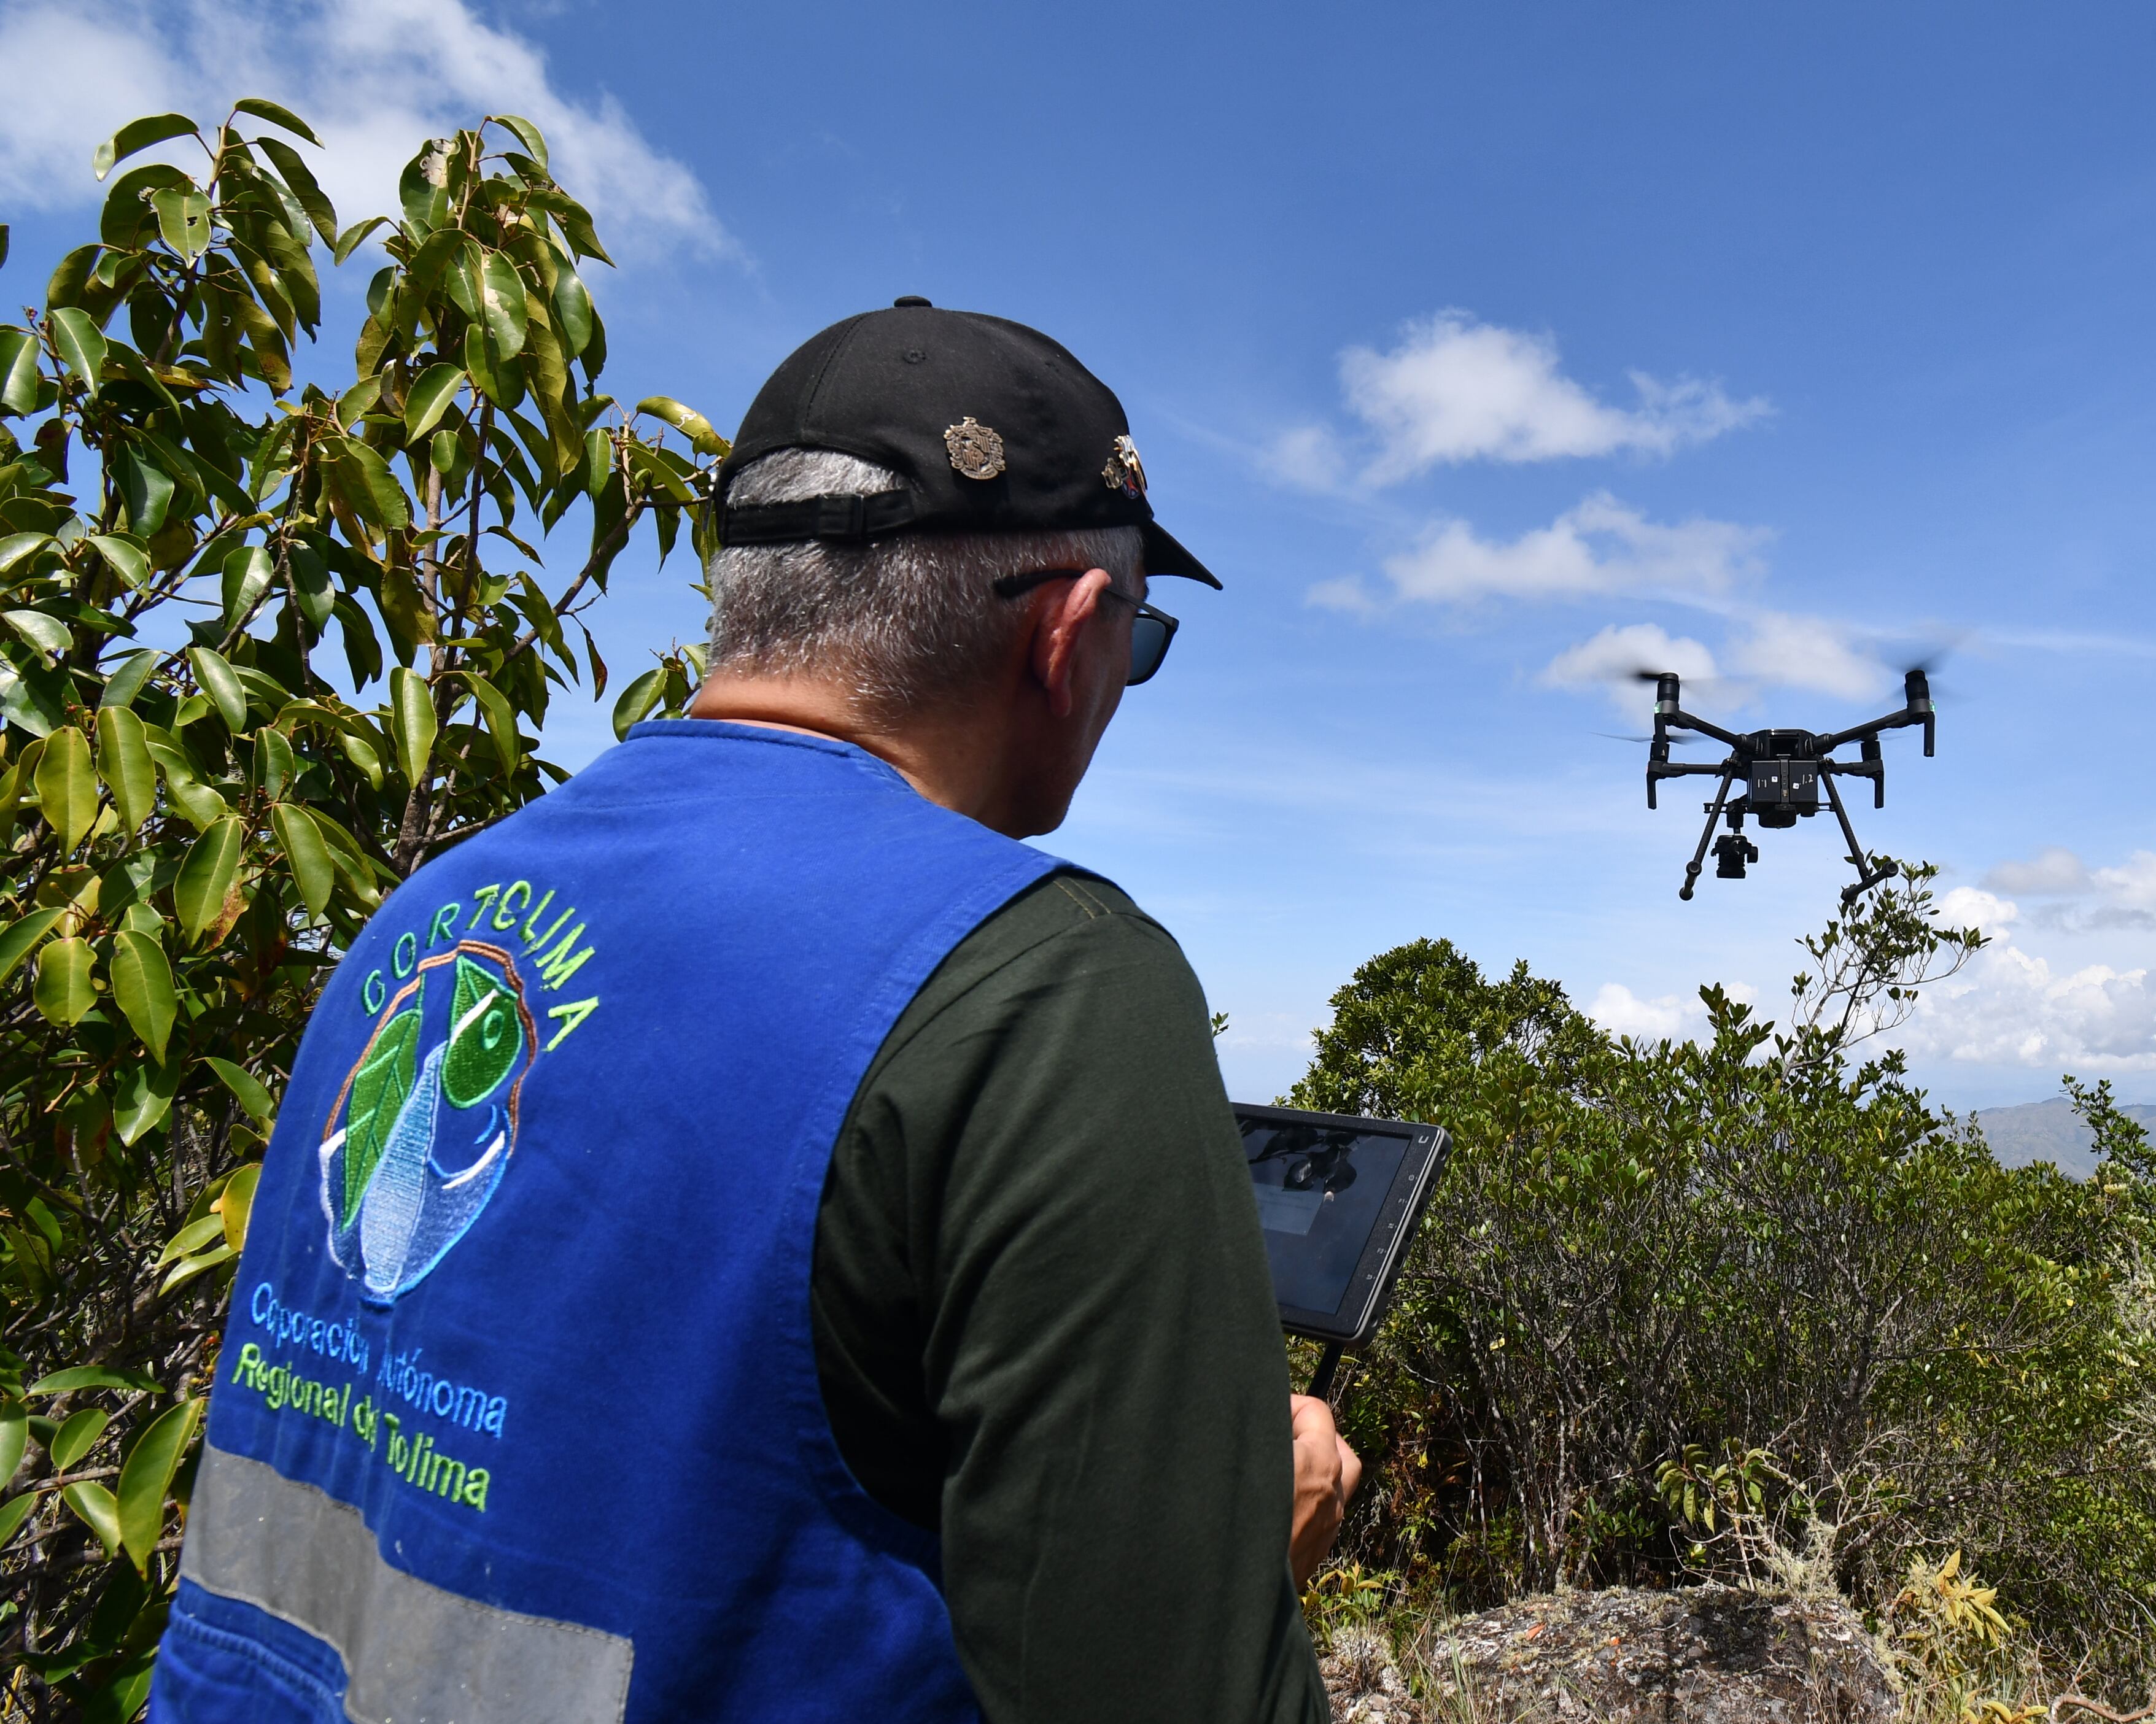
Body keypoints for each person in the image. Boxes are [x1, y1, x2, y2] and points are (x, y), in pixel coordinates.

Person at [153, 300, 1359, 1723]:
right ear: (1071, 630)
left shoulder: (424, 920)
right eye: (1137, 638)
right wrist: (1231, 1558)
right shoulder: (1045, 986)